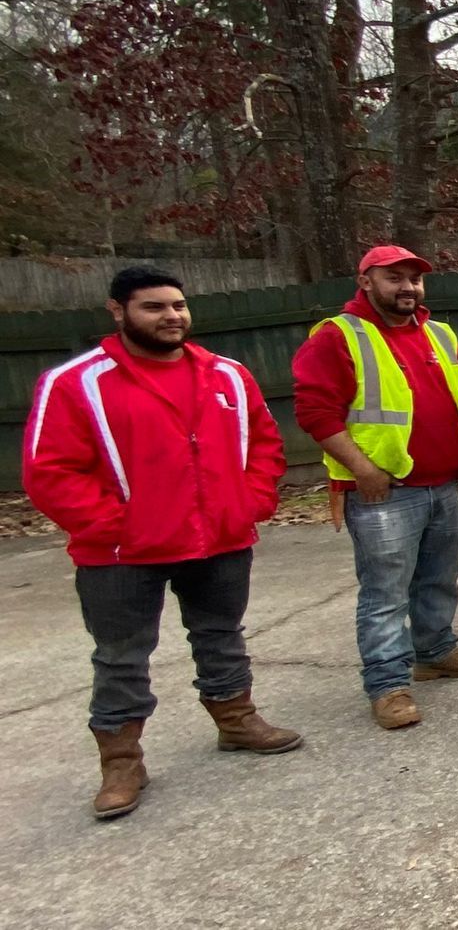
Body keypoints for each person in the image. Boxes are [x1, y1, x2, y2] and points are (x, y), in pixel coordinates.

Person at [24, 266, 299, 819]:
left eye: (178, 306)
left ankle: (236, 721)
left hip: (220, 539)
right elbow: (48, 471)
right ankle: (122, 761)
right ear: (118, 311)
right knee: (121, 658)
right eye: (154, 307)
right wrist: (116, 526)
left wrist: (250, 503)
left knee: (222, 636)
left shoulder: (228, 375)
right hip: (123, 553)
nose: (171, 316)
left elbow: (265, 445)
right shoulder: (76, 382)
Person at [292, 246, 458, 731]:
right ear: (365, 282)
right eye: (394, 278)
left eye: (414, 279)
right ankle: (388, 685)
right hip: (386, 492)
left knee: (438, 579)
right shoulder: (338, 337)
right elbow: (315, 412)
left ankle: (435, 651)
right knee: (385, 593)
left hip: (444, 484)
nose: (407, 287)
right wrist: (362, 469)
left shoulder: (438, 334)